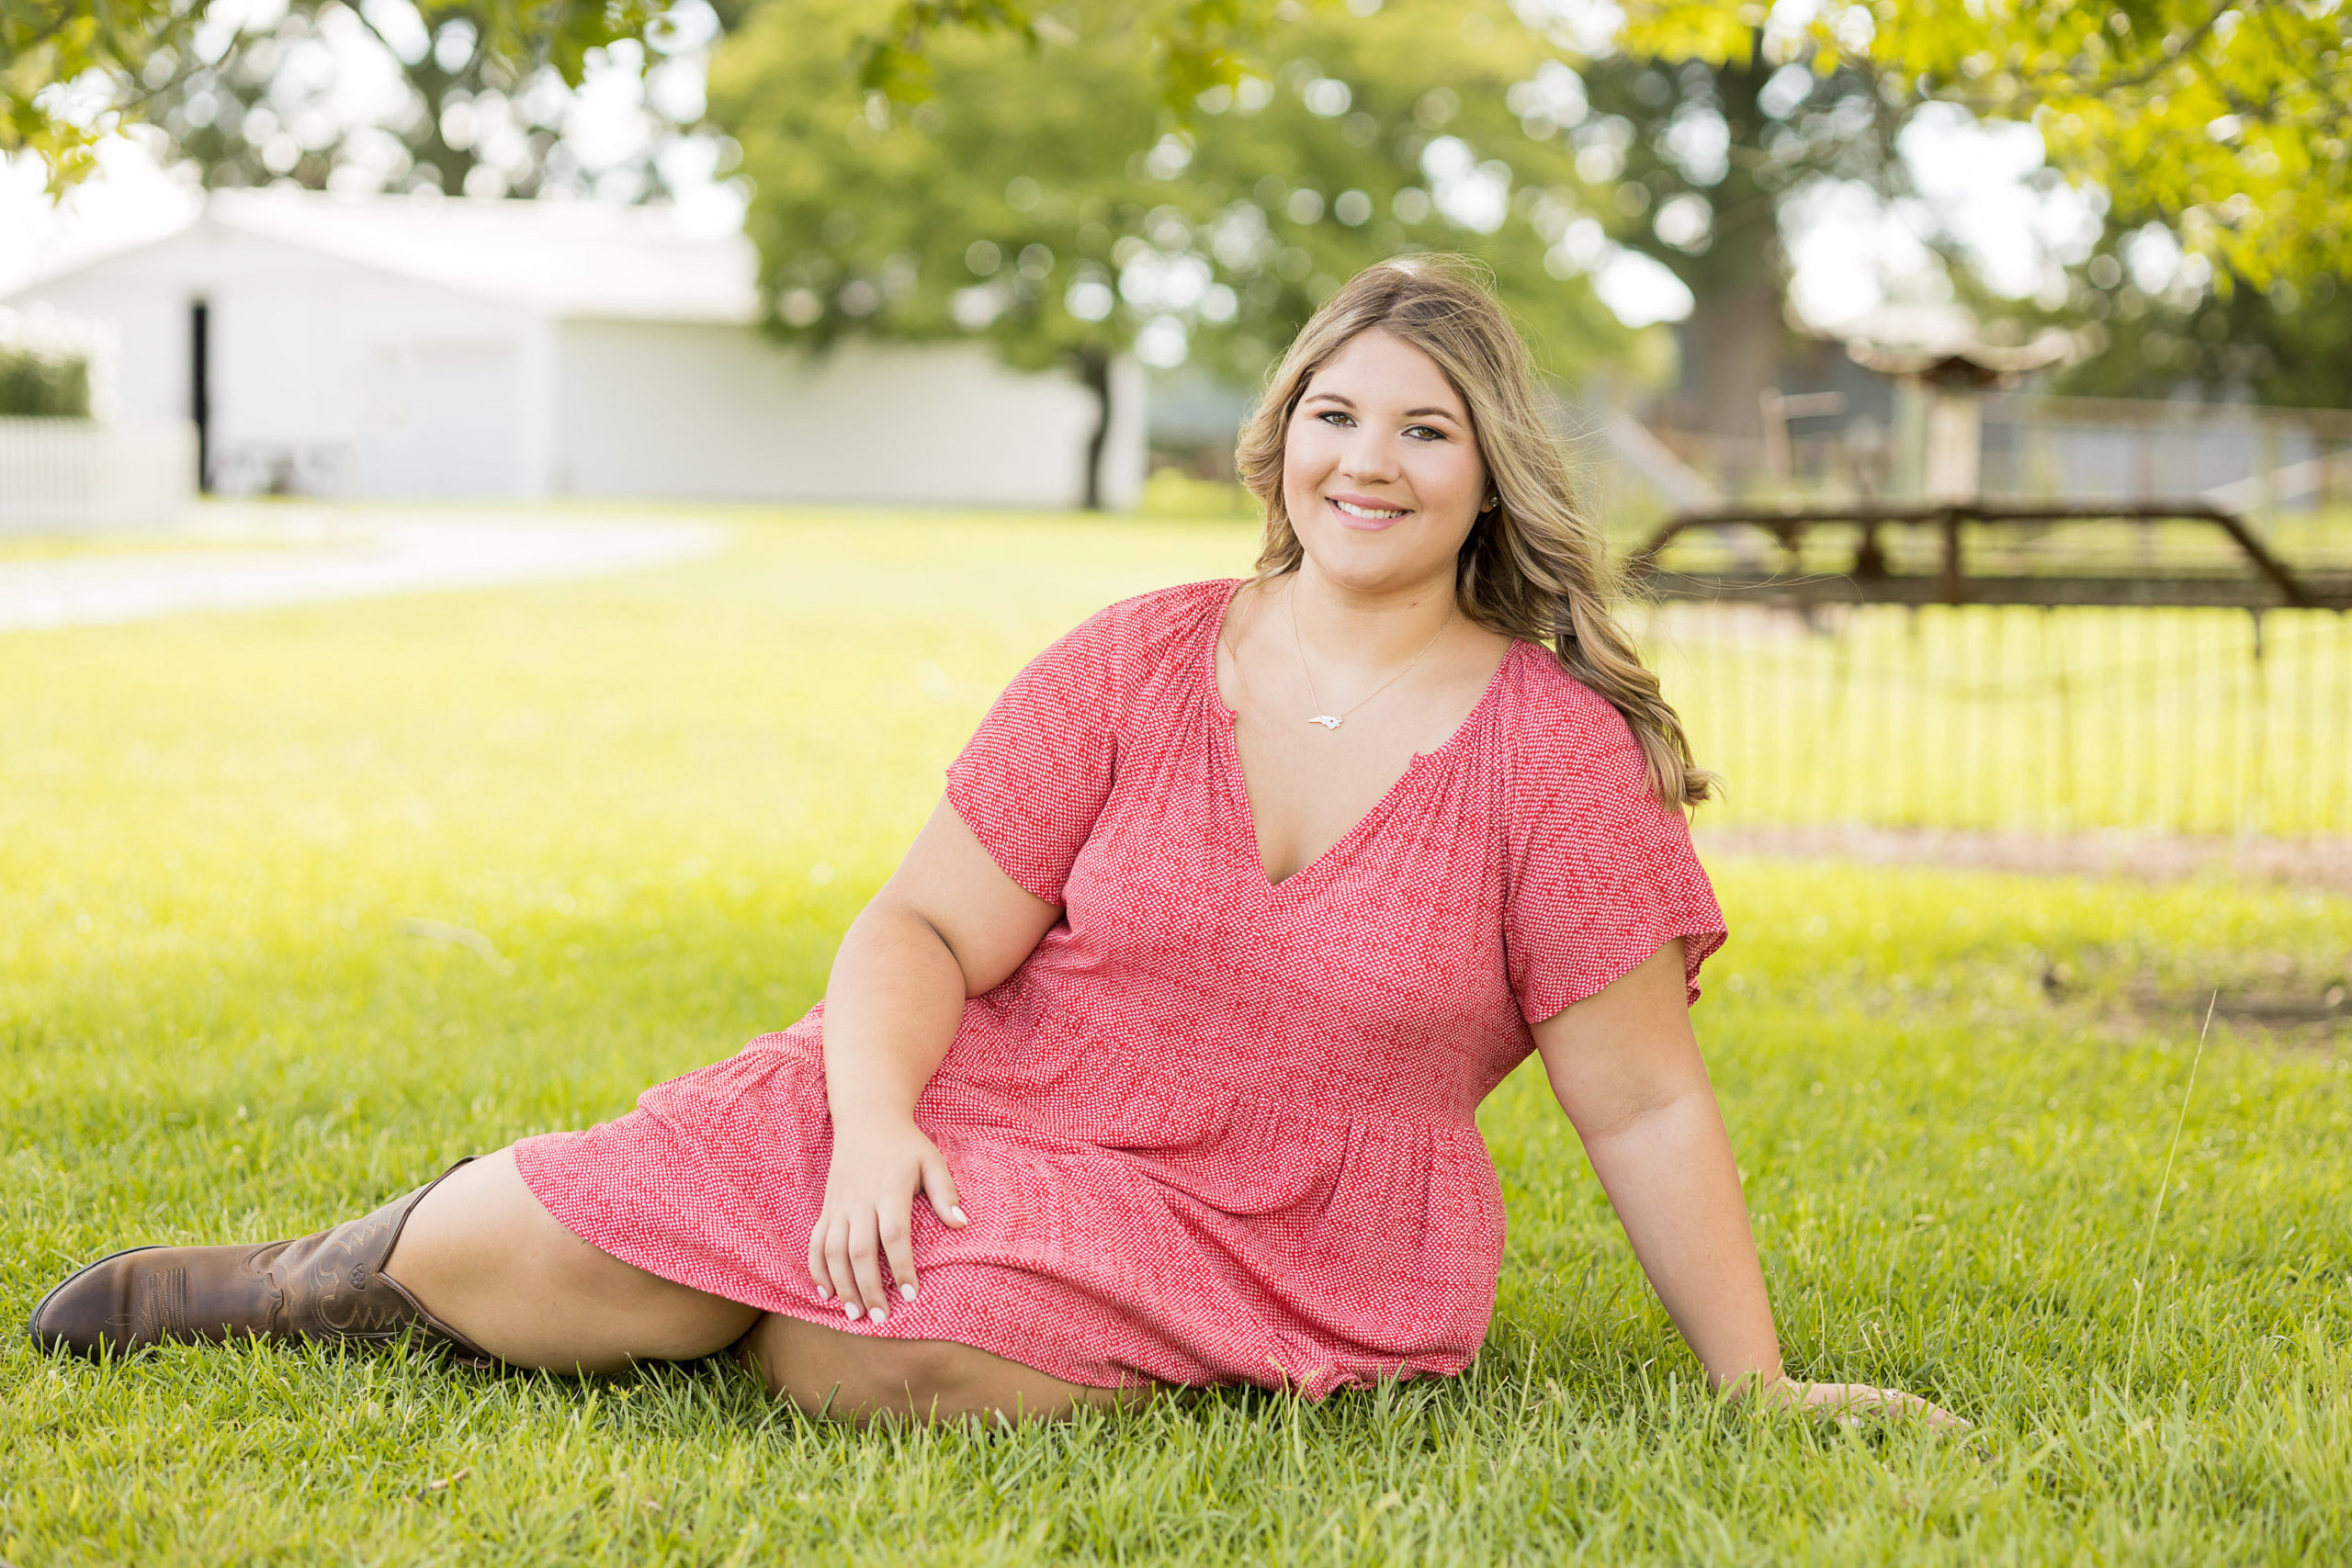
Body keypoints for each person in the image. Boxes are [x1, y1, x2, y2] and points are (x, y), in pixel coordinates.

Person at [31, 256, 1959, 1431]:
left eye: (1423, 431)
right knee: (522, 1240)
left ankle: (752, 1298)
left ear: (1487, 474)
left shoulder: (1554, 755)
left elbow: (1638, 1105)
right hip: (964, 1091)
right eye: (1332, 413)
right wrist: (875, 1120)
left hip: (1268, 1215)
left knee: (859, 1354)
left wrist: (1751, 1375)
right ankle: (330, 1274)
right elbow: (918, 932)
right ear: (1279, 432)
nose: (1364, 461)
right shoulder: (1130, 657)